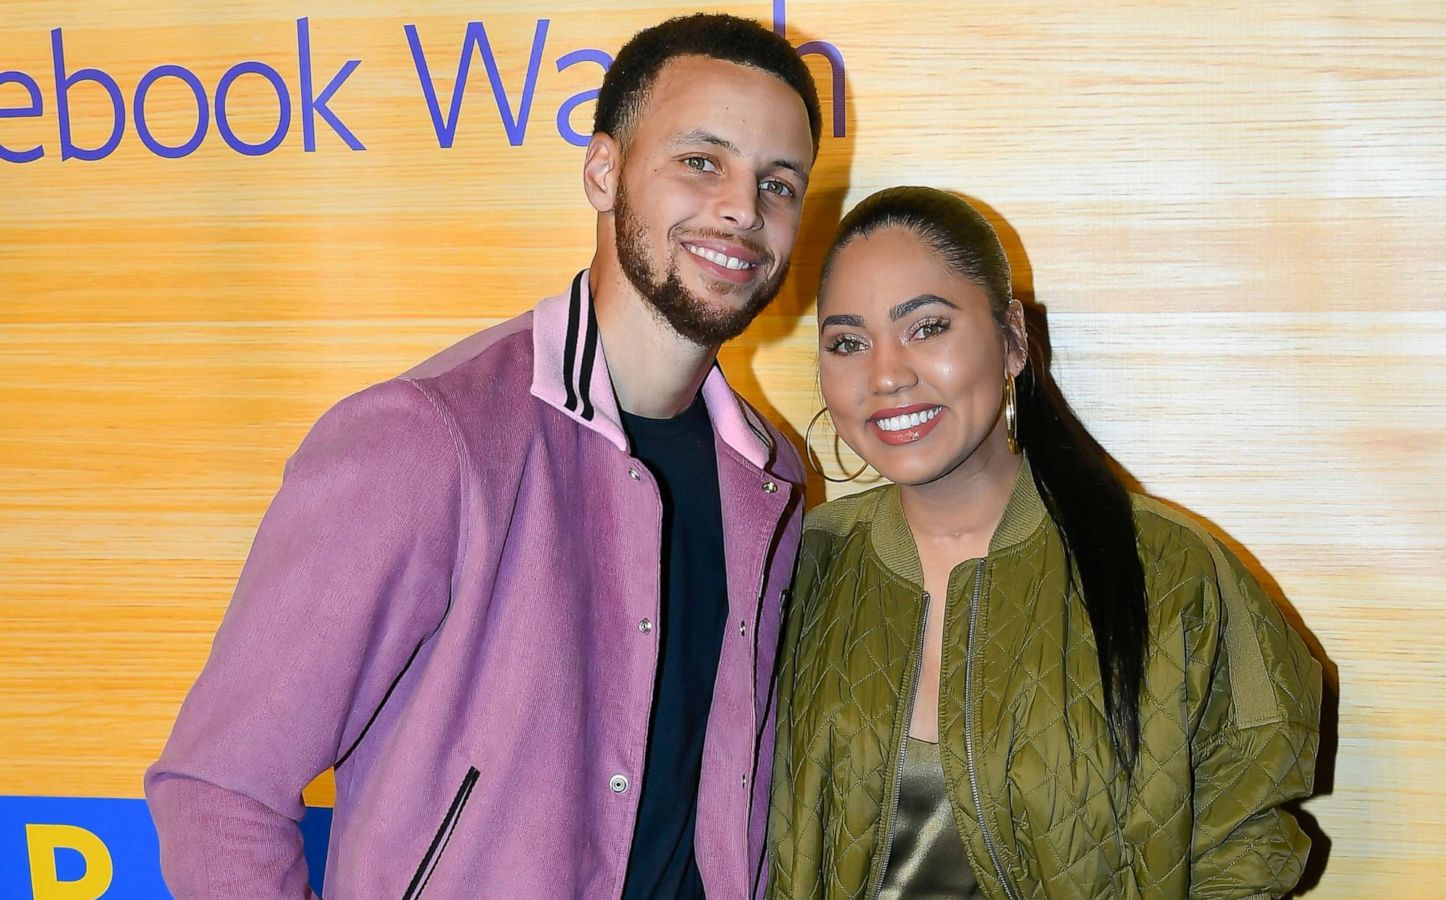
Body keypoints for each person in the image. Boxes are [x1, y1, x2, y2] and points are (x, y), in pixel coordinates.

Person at [146, 14, 821, 899]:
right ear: (603, 170)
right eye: (702, 161)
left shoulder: (772, 479)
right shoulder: (430, 439)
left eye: (779, 183)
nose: (742, 207)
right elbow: (219, 792)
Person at [767, 187, 1322, 899]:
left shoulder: (1173, 569)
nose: (886, 375)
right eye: (848, 341)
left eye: (927, 327)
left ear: (1013, 341)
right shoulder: (801, 566)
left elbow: (1244, 847)